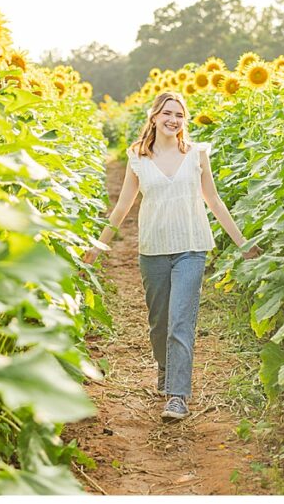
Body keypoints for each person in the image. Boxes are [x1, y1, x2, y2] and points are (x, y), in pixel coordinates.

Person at [83, 91, 263, 422]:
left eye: (179, 115)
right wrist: (99, 245)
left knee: (181, 321)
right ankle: (167, 376)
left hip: (192, 247)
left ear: (184, 121)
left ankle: (177, 396)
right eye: (167, 113)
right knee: (159, 323)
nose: (173, 119)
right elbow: (122, 206)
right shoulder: (138, 157)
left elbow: (214, 200)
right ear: (153, 117)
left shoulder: (196, 154)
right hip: (153, 250)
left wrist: (242, 243)